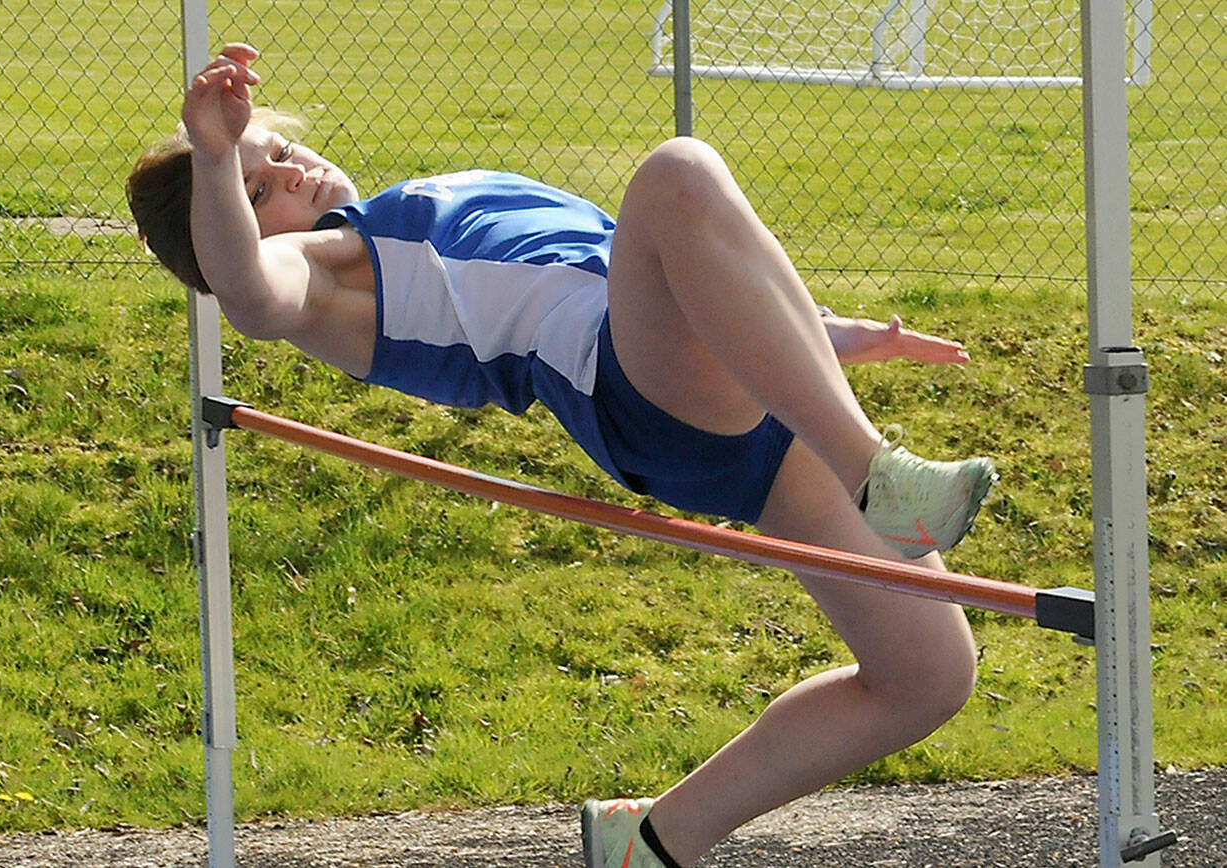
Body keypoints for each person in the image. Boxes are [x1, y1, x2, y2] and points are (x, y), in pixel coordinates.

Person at [127, 43, 996, 868]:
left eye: (280, 151)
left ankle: (653, 840)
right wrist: (215, 158)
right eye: (260, 189)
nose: (291, 173)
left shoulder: (398, 211)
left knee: (925, 675)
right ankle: (875, 471)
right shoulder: (319, 278)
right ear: (230, 226)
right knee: (679, 173)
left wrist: (823, 335)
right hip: (635, 394)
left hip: (731, 394)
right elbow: (248, 293)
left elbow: (631, 269)